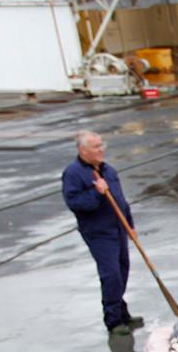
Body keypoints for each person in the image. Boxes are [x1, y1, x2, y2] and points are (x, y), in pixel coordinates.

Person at [60, 130, 145, 336]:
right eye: (96, 147)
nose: (101, 150)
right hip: (98, 232)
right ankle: (113, 320)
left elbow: (120, 201)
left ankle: (122, 313)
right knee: (111, 274)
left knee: (122, 270)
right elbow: (76, 204)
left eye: (101, 145)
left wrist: (130, 225)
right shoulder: (73, 173)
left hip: (118, 228)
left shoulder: (108, 170)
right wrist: (95, 193)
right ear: (83, 150)